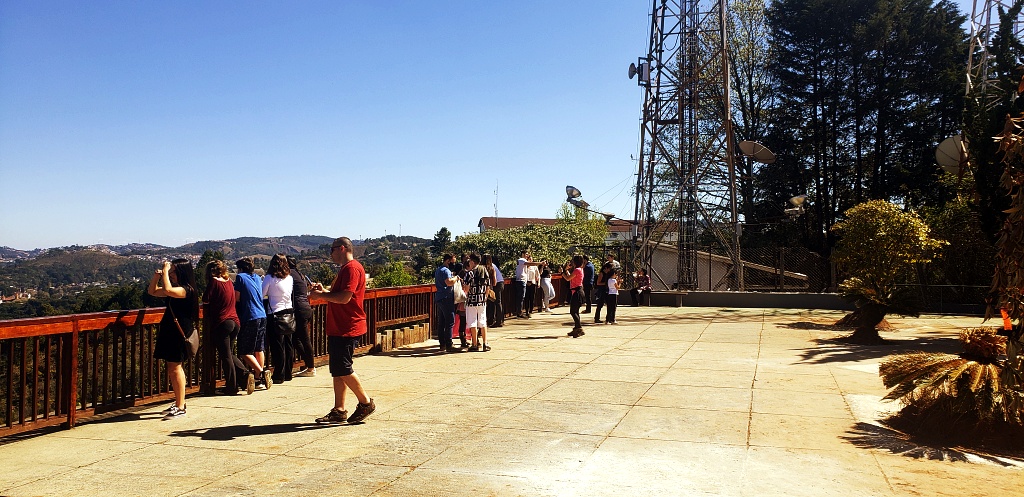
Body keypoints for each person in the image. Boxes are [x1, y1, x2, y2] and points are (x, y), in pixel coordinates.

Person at [311, 237, 376, 425]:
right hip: (340, 326)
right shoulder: (346, 269)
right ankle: (339, 410)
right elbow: (340, 294)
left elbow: (345, 298)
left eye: (331, 250)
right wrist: (326, 290)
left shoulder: (352, 269)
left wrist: (321, 295)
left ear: (341, 248)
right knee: (337, 370)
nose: (330, 254)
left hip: (347, 326)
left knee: (343, 368)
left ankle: (365, 403)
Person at [148, 259, 198, 419]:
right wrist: (157, 277)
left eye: (174, 271)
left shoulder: (186, 290)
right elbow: (153, 292)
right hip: (171, 331)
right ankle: (179, 402)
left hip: (180, 333)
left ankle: (181, 405)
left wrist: (165, 268)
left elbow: (168, 290)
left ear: (182, 272)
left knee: (176, 367)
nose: (171, 274)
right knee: (172, 367)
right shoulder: (176, 289)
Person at [203, 260, 251, 395]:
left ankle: (232, 387)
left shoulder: (214, 282)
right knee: (229, 353)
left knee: (225, 356)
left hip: (222, 322)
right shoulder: (229, 281)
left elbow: (206, 299)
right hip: (235, 321)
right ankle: (245, 376)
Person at [234, 257, 271, 391]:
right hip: (262, 314)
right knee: (258, 348)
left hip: (250, 316)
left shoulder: (240, 278)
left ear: (240, 268)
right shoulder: (256, 277)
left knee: (244, 351)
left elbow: (236, 298)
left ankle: (261, 373)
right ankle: (258, 380)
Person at [263, 253, 295, 384]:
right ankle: (288, 372)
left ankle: (279, 375)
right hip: (289, 311)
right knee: (288, 345)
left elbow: (262, 294)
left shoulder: (269, 278)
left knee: (278, 346)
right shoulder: (290, 278)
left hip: (275, 313)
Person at [287, 255, 317, 377]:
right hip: (306, 307)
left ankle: (311, 367)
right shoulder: (300, 275)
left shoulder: (289, 275)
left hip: (298, 309)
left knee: (301, 339)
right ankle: (310, 365)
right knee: (298, 339)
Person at [464, 253, 491, 351]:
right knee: (483, 321)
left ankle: (474, 344)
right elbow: (488, 285)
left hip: (472, 301)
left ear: (472, 261)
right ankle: (485, 343)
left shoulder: (469, 273)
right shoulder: (484, 271)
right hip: (482, 300)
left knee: (472, 322)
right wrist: (485, 296)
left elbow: (466, 288)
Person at [434, 253, 459, 353]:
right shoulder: (446, 270)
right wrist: (456, 278)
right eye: (453, 261)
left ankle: (442, 344)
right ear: (448, 260)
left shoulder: (438, 270)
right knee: (450, 321)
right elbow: (449, 282)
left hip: (439, 297)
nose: (454, 263)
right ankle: (449, 343)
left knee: (442, 322)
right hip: (446, 297)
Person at [512, 250, 542, 318]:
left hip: (524, 281)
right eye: (526, 254)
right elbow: (530, 264)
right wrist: (540, 263)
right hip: (521, 281)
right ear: (522, 254)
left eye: (527, 255)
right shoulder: (521, 260)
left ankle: (521, 312)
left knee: (523, 297)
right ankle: (519, 313)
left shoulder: (523, 261)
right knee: (521, 297)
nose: (527, 256)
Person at [484, 254, 505, 328]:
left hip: (497, 284)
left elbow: (494, 280)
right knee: (496, 302)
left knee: (497, 302)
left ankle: (499, 321)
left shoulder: (490, 267)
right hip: (500, 282)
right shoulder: (492, 265)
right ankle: (496, 319)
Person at [567, 256, 585, 337]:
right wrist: (566, 270)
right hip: (577, 291)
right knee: (576, 311)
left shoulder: (577, 270)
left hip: (577, 292)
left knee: (573, 311)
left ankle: (579, 328)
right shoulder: (580, 269)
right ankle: (576, 328)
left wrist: (563, 272)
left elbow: (567, 278)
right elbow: (571, 277)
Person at [452, 261, 469, 348]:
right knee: (467, 322)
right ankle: (466, 339)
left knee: (462, 322)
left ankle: (463, 340)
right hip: (466, 303)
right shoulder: (467, 275)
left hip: (460, 304)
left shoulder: (458, 279)